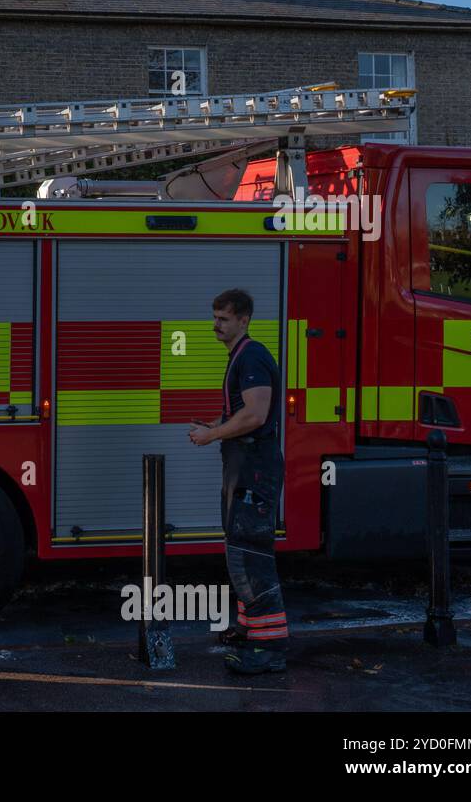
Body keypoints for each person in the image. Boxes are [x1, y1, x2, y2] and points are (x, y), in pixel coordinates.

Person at [188, 289, 289, 675]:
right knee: (240, 551)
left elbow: (257, 415)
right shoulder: (241, 356)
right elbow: (240, 411)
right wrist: (215, 425)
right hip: (244, 467)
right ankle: (252, 632)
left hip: (254, 470)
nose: (216, 325)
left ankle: (271, 647)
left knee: (252, 555)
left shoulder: (251, 356)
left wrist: (211, 435)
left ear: (243, 320)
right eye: (214, 317)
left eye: (223, 319)